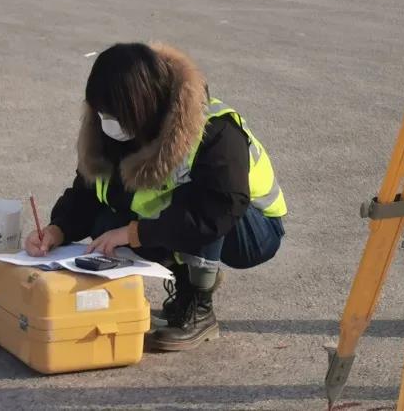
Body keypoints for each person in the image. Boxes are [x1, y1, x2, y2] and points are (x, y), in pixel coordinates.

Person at [24, 42, 287, 351]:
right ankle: (187, 283)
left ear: (140, 105)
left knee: (192, 195)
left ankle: (200, 307)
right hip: (192, 221)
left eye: (112, 114)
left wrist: (135, 233)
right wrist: (57, 229)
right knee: (105, 225)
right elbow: (89, 191)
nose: (106, 122)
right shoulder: (115, 127)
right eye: (101, 113)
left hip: (251, 231)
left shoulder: (215, 129)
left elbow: (219, 206)